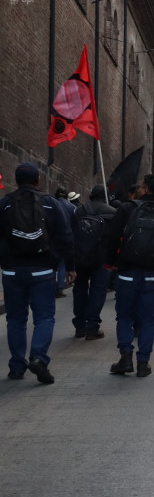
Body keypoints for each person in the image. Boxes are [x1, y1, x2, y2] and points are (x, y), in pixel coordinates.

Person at [0, 163, 75, 383]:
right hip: (43, 270)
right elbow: (65, 235)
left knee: (15, 319)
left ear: (16, 180)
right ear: (38, 180)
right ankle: (39, 358)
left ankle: (16, 366)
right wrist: (70, 266)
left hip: (12, 271)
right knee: (44, 317)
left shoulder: (5, 204)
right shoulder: (50, 203)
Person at [106, 174, 154, 377]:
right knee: (148, 319)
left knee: (125, 316)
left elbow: (113, 236)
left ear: (144, 189)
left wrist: (111, 262)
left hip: (127, 271)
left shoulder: (127, 209)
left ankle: (126, 356)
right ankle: (143, 363)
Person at [71, 184, 116, 340]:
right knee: (98, 291)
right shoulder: (112, 212)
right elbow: (115, 238)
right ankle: (92, 326)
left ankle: (79, 326)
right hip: (102, 259)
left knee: (80, 289)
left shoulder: (79, 211)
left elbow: (71, 235)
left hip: (80, 257)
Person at [53, 186, 75, 298]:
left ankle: (50, 288)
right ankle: (59, 289)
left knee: (51, 264)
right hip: (66, 239)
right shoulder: (72, 207)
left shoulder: (51, 204)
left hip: (52, 240)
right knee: (62, 265)